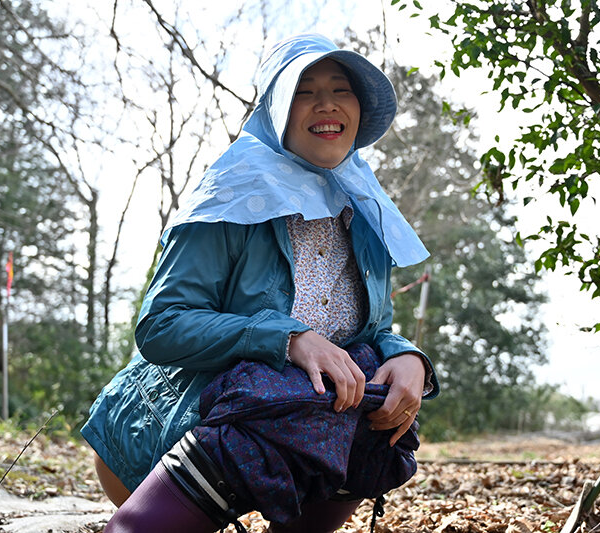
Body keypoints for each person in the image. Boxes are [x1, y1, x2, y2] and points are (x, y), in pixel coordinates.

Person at [81, 33, 439, 533]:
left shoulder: (362, 208)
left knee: (369, 389)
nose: (327, 103)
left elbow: (369, 331)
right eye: (303, 91)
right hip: (183, 434)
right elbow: (162, 326)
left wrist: (408, 358)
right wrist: (289, 339)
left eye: (341, 89)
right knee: (301, 388)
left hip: (291, 419)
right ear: (276, 111)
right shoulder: (231, 196)